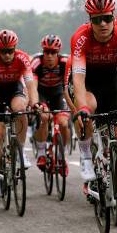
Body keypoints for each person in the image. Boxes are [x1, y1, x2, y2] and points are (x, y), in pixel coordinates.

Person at [70, 0, 117, 223]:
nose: (103, 24)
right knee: (88, 109)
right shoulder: (82, 37)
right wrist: (83, 108)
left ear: (113, 16)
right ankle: (86, 152)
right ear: (90, 20)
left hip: (111, 82)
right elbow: (77, 78)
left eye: (107, 18)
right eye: (97, 19)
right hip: (86, 82)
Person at [0, 30, 39, 198]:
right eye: (3, 51)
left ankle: (19, 151)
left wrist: (34, 103)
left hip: (14, 89)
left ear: (15, 48)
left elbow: (30, 86)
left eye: (10, 50)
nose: (7, 55)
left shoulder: (22, 58)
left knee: (21, 109)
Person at [30, 35, 71, 173]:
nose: (49, 55)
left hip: (58, 93)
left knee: (64, 123)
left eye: (53, 52)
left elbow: (69, 86)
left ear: (58, 53)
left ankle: (61, 156)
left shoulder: (65, 62)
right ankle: (41, 153)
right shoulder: (37, 63)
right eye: (46, 52)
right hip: (41, 93)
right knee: (44, 118)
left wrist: (74, 104)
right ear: (43, 52)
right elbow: (32, 87)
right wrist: (35, 103)